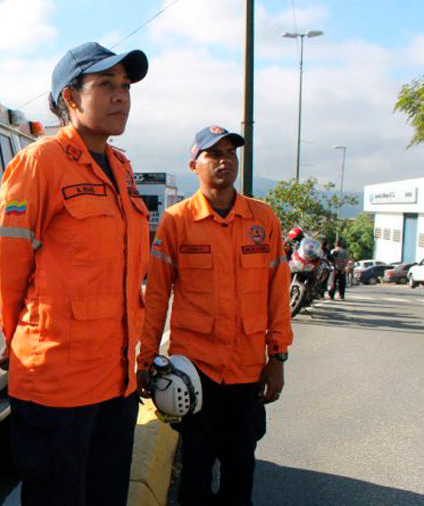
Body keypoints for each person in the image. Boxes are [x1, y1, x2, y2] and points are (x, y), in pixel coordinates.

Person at [0, 42, 150, 506]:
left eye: (125, 87)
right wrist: (19, 341)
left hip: (116, 380)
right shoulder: (40, 163)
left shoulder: (121, 168)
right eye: (106, 85)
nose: (121, 96)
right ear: (70, 98)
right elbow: (5, 268)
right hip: (57, 383)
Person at [138, 125, 294, 506]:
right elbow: (156, 297)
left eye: (230, 153)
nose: (225, 161)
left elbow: (278, 293)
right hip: (195, 375)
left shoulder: (263, 220)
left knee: (240, 475)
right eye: (214, 154)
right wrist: (146, 360)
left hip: (246, 372)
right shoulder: (176, 221)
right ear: (194, 165)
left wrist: (278, 356)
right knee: (194, 474)